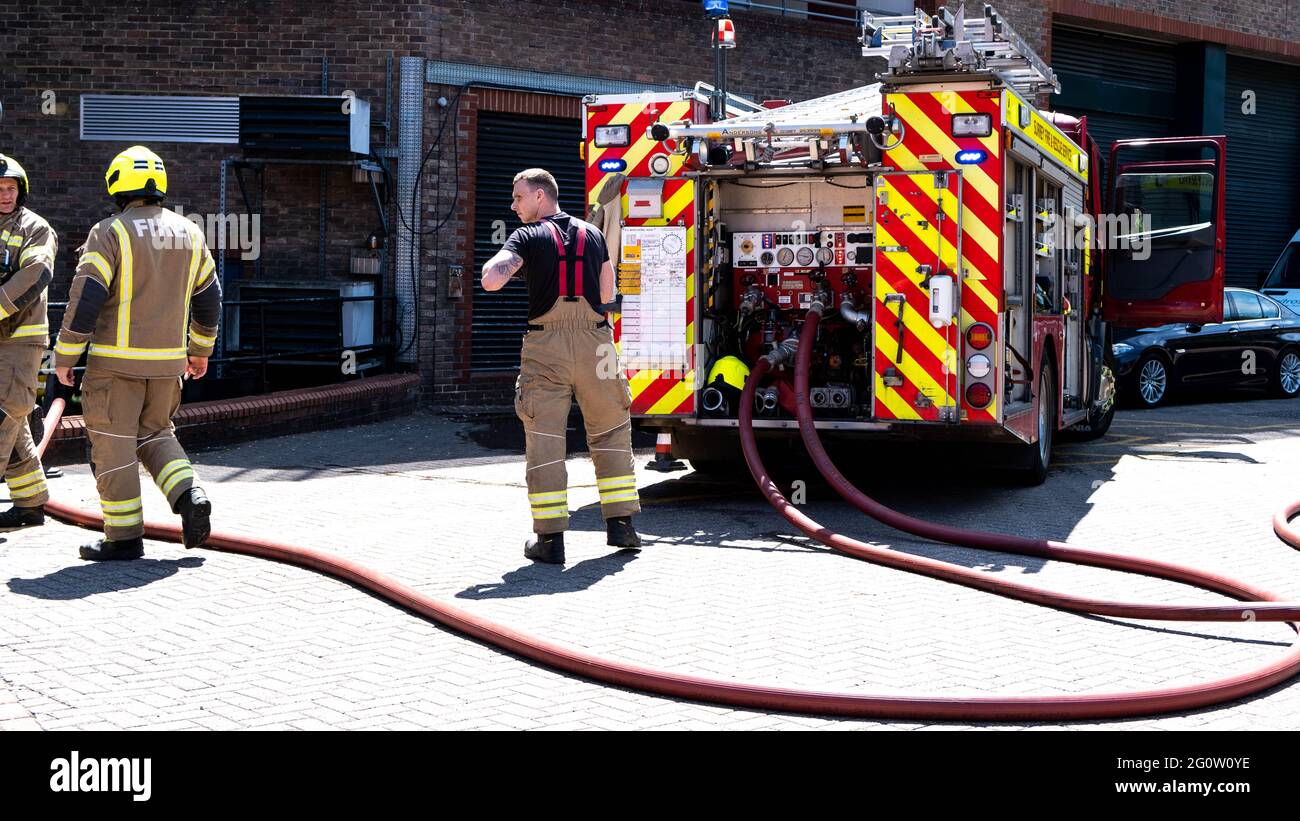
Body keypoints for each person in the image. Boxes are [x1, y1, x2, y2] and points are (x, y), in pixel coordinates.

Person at [53, 145, 221, 561]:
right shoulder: (190, 232)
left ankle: (124, 537)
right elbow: (210, 298)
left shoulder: (110, 232)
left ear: (116, 185)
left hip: (115, 367)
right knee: (157, 435)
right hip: (167, 367)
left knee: (113, 446)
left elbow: (86, 298)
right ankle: (189, 494)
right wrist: (199, 350)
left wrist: (65, 355)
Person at [481, 168, 641, 565]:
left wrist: (501, 266)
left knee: (546, 441)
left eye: (518, 197)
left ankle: (550, 542)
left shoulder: (526, 236)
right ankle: (622, 526)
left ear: (539, 197)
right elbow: (607, 294)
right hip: (596, 344)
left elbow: (491, 280)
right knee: (611, 432)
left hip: (546, 348)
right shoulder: (594, 233)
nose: (513, 205)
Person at [0, 153, 56, 530]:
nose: (5, 195)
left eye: (10, 188)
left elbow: (37, 273)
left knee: (3, 416)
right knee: (14, 421)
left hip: (21, 340)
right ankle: (31, 503)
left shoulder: (35, 227)